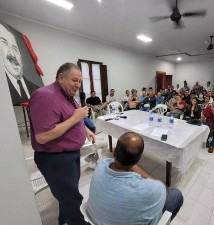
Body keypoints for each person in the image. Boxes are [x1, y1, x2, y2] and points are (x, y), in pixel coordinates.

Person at [29, 63, 95, 225]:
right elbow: (43, 136)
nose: (78, 85)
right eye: (74, 80)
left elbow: (72, 118)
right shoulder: (45, 96)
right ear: (61, 77)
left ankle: (63, 221)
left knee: (67, 194)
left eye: (80, 81)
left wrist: (85, 128)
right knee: (72, 198)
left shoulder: (67, 96)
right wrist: (75, 118)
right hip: (55, 159)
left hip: (70, 155)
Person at [87, 132, 183, 225]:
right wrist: (148, 177)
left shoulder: (101, 165)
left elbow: (114, 161)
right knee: (176, 194)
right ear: (138, 159)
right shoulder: (149, 190)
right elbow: (164, 189)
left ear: (115, 151)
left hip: (95, 219)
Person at [0, 22, 40, 105]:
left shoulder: (38, 90)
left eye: (15, 48)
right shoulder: (3, 92)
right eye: (4, 43)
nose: (12, 54)